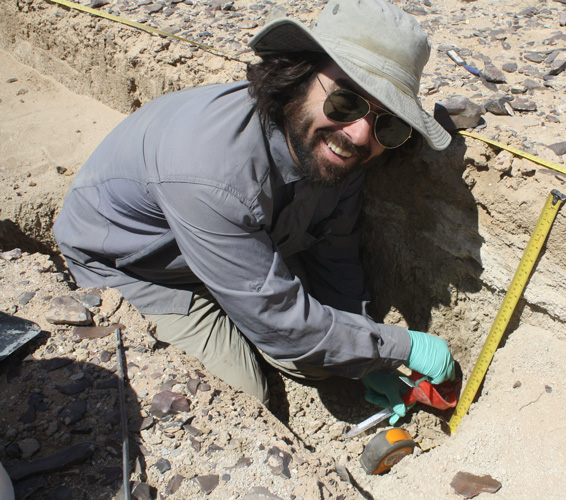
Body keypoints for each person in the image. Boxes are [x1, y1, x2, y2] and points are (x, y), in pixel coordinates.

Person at [53, 0, 455, 425]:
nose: (358, 134)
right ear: (299, 76)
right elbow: (280, 321)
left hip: (241, 244)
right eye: (345, 101)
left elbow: (336, 255)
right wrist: (400, 347)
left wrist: (367, 356)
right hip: (142, 267)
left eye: (386, 124)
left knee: (327, 361)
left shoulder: (340, 152)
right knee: (247, 404)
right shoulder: (209, 169)